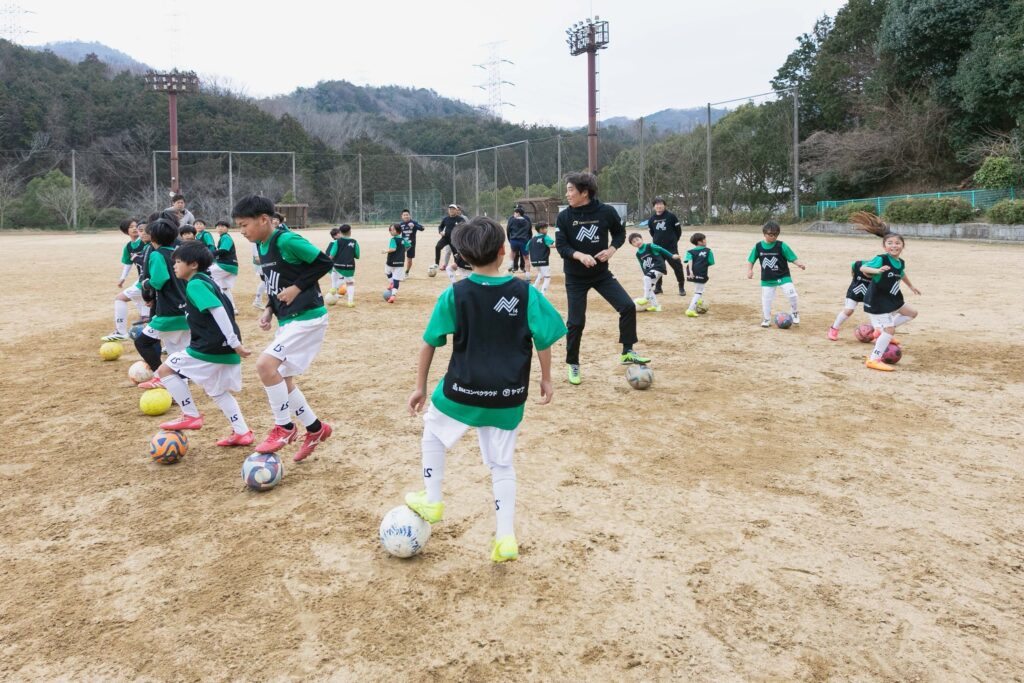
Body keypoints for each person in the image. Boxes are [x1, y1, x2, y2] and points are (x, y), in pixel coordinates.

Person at [404, 216, 566, 563]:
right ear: (504, 250)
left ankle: (432, 499)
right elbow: (545, 339)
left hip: (461, 392)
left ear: (462, 257)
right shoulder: (526, 293)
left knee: (433, 432)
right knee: (502, 465)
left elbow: (429, 342)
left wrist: (420, 387)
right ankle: (505, 538)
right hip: (508, 396)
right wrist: (546, 378)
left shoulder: (455, 294)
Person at [233, 195, 334, 462]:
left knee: (265, 366)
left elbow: (324, 262)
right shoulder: (261, 245)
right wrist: (269, 309)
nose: (241, 231)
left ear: (263, 219)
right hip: (288, 320)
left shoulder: (286, 240)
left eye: (244, 225)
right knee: (284, 380)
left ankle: (285, 427)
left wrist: (297, 288)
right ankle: (316, 428)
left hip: (308, 318)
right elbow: (275, 283)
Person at [149, 241, 254, 447]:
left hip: (211, 346)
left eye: (178, 262)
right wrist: (233, 343)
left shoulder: (196, 284)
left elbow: (219, 311)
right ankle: (242, 432)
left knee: (165, 369)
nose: (174, 266)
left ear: (193, 264)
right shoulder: (207, 280)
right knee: (217, 391)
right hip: (222, 347)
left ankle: (190, 415)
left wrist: (234, 342)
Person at [555, 172, 651, 386]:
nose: (567, 194)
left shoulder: (605, 212)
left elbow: (619, 233)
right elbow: (561, 246)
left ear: (584, 192)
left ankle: (627, 351)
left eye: (570, 190)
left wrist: (611, 250)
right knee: (576, 322)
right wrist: (580, 256)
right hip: (575, 278)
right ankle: (573, 363)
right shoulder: (564, 217)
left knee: (627, 306)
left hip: (601, 274)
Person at [852, 212, 921, 371]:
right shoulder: (881, 259)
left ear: (903, 246)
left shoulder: (900, 262)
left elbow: (901, 273)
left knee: (912, 313)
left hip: (892, 298)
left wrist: (911, 286)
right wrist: (876, 271)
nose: (894, 246)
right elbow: (863, 268)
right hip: (877, 301)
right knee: (890, 329)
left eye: (897, 243)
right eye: (890, 243)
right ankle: (873, 359)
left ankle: (882, 331)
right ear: (884, 247)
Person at [136, 215, 192, 388]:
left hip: (169, 311)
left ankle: (160, 375)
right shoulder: (178, 253)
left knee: (142, 342)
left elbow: (159, 280)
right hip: (186, 309)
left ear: (153, 238)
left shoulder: (157, 254)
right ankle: (179, 386)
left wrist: (146, 283)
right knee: (177, 351)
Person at [746, 221, 806, 327]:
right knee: (766, 300)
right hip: (767, 278)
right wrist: (749, 270)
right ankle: (766, 319)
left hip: (783, 276)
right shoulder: (758, 246)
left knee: (792, 295)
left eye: (776, 234)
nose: (773, 236)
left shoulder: (781, 245)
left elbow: (792, 257)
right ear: (764, 233)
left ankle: (794, 313)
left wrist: (799, 264)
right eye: (771, 234)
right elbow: (751, 259)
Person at [102, 219, 149, 341]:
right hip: (142, 280)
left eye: (137, 227)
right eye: (131, 227)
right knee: (144, 307)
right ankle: (149, 335)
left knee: (120, 298)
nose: (135, 229)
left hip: (146, 281)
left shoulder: (146, 242)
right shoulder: (128, 246)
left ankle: (120, 331)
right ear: (125, 231)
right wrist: (122, 278)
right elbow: (128, 263)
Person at [627, 232, 680, 313]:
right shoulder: (638, 254)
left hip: (659, 267)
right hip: (650, 271)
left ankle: (645, 298)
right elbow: (642, 265)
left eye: (637, 240)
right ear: (632, 245)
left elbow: (661, 249)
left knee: (646, 279)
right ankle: (656, 306)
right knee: (647, 287)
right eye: (633, 242)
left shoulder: (650, 246)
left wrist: (672, 256)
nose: (636, 242)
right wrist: (645, 274)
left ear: (641, 239)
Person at [646, 197, 686, 296]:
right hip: (657, 248)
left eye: (661, 204)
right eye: (656, 204)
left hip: (671, 248)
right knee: (658, 268)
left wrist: (674, 240)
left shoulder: (671, 216)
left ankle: (681, 287)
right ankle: (658, 288)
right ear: (654, 207)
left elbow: (678, 231)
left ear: (664, 205)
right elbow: (652, 232)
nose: (659, 206)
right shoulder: (651, 219)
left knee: (677, 267)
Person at [827, 258, 874, 340]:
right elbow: (853, 268)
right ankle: (834, 328)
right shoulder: (857, 265)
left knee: (874, 313)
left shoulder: (880, 270)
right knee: (848, 310)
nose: (869, 276)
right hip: (855, 291)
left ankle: (877, 333)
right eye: (867, 274)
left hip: (870, 293)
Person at [683, 232, 715, 317]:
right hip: (701, 272)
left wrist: (690, 271)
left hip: (691, 273)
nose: (705, 241)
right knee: (699, 292)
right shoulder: (708, 251)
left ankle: (699, 303)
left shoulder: (689, 251)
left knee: (698, 288)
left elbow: (689, 260)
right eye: (704, 239)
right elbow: (711, 262)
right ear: (699, 241)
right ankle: (690, 310)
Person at [326, 224, 359, 307]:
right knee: (350, 283)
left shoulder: (337, 242)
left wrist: (327, 261)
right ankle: (350, 302)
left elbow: (332, 254)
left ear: (340, 232)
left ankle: (334, 287)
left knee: (334, 272)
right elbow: (357, 255)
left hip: (337, 265)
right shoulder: (354, 242)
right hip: (349, 266)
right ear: (350, 232)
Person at [209, 220, 238, 307]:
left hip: (225, 265)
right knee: (224, 287)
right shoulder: (223, 237)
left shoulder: (226, 237)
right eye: (218, 226)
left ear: (227, 228)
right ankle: (232, 308)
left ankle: (213, 303)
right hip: (230, 266)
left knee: (205, 275)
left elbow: (224, 250)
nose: (220, 228)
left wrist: (208, 254)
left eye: (223, 226)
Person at [384, 223, 412, 303]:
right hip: (400, 262)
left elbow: (393, 249)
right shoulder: (403, 239)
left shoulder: (393, 239)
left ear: (398, 231)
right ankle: (393, 296)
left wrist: (385, 251)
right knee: (396, 279)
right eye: (390, 229)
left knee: (387, 271)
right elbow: (409, 245)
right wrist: (403, 251)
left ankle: (391, 283)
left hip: (391, 261)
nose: (391, 231)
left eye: (393, 229)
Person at [435, 204, 466, 269]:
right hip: (445, 238)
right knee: (437, 247)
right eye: (450, 209)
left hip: (454, 239)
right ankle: (436, 264)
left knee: (456, 254)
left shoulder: (461, 219)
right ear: (448, 210)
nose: (451, 210)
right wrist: (440, 232)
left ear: (456, 210)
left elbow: (465, 228)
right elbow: (440, 227)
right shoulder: (446, 219)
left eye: (453, 209)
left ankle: (457, 266)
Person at [528, 222, 555, 294]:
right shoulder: (545, 237)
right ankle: (542, 294)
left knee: (540, 273)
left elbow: (527, 248)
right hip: (543, 261)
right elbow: (551, 245)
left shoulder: (532, 239)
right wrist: (560, 244)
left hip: (534, 261)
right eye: (545, 228)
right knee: (547, 278)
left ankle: (534, 288)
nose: (547, 230)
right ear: (541, 229)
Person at [506, 206, 532, 274]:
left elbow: (508, 230)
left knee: (512, 253)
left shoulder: (512, 220)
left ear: (518, 213)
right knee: (526, 258)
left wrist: (510, 239)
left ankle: (511, 267)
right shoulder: (527, 222)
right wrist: (529, 240)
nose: (514, 214)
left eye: (515, 212)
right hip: (524, 240)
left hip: (514, 240)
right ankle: (527, 276)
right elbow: (529, 231)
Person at [399, 209, 424, 274]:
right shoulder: (401, 224)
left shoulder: (414, 222)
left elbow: (422, 228)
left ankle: (407, 272)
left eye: (407, 215)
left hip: (411, 244)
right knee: (399, 258)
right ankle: (399, 272)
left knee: (409, 260)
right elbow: (396, 232)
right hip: (403, 244)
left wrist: (414, 225)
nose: (406, 216)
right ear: (402, 216)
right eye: (404, 215)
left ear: (409, 215)